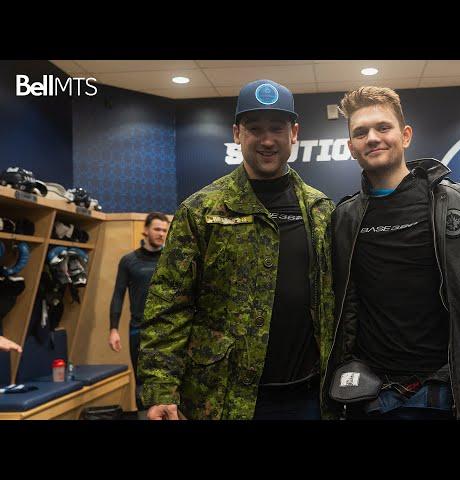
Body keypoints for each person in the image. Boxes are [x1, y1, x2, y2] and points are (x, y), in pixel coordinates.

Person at [323, 86, 460, 420]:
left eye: (383, 127)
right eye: (361, 132)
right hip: (374, 396)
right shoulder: (344, 219)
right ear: (351, 146)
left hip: (453, 393)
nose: (372, 138)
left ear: (405, 135)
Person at [138, 79, 335, 420]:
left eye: (277, 128)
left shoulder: (321, 210)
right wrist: (160, 389)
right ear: (237, 133)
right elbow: (169, 303)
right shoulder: (201, 209)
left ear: (294, 133)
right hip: (222, 399)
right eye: (255, 129)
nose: (267, 140)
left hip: (309, 397)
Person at [109, 212, 169, 395]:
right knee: (142, 385)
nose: (161, 234)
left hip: (168, 329)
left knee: (168, 385)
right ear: (146, 231)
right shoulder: (129, 261)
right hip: (139, 329)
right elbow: (118, 294)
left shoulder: (170, 259)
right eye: (157, 229)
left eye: (165, 230)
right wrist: (113, 329)